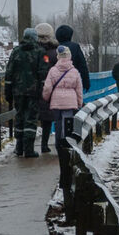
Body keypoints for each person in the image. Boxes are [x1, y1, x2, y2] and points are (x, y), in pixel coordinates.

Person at [42, 44, 84, 188]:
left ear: (59, 57)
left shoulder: (53, 70)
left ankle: (60, 143)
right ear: (70, 56)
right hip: (70, 103)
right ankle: (66, 144)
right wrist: (79, 103)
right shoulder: (74, 71)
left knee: (58, 123)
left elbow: (47, 87)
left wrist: (46, 97)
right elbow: (79, 90)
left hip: (57, 103)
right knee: (68, 126)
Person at [3, 28, 47, 157]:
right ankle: (29, 149)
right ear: (35, 38)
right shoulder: (40, 52)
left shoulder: (16, 52)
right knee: (31, 119)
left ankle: (19, 147)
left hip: (18, 91)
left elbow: (9, 73)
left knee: (20, 117)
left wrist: (8, 92)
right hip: (34, 92)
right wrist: (43, 91)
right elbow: (43, 73)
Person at [35, 22, 58, 153]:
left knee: (30, 117)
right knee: (48, 118)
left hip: (33, 88)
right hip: (51, 89)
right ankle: (44, 144)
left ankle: (24, 146)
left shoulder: (33, 51)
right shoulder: (55, 53)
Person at [54, 24, 91, 92]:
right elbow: (82, 66)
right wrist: (86, 83)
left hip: (56, 84)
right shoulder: (75, 47)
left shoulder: (54, 47)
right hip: (72, 83)